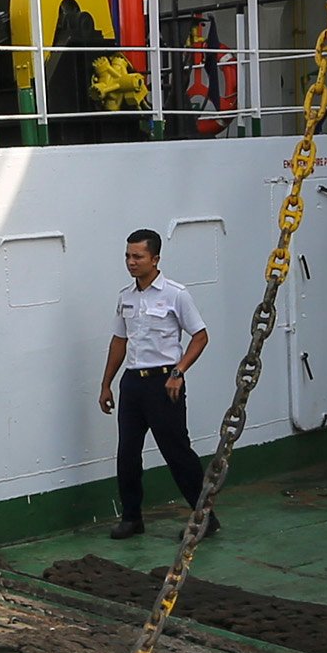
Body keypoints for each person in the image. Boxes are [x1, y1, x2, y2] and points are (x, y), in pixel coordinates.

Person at [98, 226, 215, 540]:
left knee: (177, 453)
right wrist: (106, 383)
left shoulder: (175, 294)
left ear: (155, 258)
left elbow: (200, 337)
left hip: (164, 384)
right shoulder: (125, 297)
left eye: (138, 256)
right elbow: (119, 341)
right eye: (128, 256)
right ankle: (132, 518)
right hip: (133, 385)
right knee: (127, 454)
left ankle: (205, 517)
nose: (131, 262)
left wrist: (179, 372)